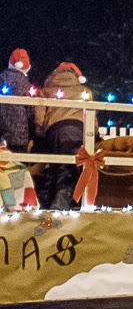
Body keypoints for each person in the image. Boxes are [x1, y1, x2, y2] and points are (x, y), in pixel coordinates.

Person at [34, 62, 88, 210]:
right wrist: (92, 133)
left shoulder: (46, 90)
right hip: (78, 129)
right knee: (70, 168)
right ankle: (62, 205)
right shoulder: (84, 91)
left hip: (55, 130)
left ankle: (46, 205)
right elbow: (92, 116)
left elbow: (39, 115)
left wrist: (40, 132)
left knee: (53, 166)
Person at [0, 49, 35, 152]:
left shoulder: (1, 80)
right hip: (20, 138)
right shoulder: (27, 87)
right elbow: (32, 113)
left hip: (1, 137)